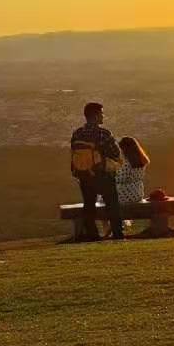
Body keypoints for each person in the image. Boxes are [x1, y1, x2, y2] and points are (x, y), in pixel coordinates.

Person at [69, 102, 124, 241]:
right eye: (101, 113)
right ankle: (118, 235)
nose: (103, 116)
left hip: (84, 175)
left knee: (89, 205)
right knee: (112, 205)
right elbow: (115, 152)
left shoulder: (77, 133)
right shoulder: (103, 134)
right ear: (95, 115)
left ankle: (92, 236)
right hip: (102, 175)